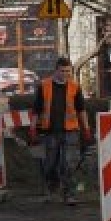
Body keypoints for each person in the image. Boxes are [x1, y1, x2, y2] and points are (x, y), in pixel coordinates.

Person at [30, 57, 91, 205]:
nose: (65, 74)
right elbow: (36, 110)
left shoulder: (75, 87)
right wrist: (33, 129)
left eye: (68, 71)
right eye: (62, 71)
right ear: (56, 70)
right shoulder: (44, 86)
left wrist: (86, 129)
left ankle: (69, 194)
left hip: (71, 131)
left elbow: (81, 110)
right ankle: (52, 188)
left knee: (68, 164)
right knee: (50, 164)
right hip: (50, 132)